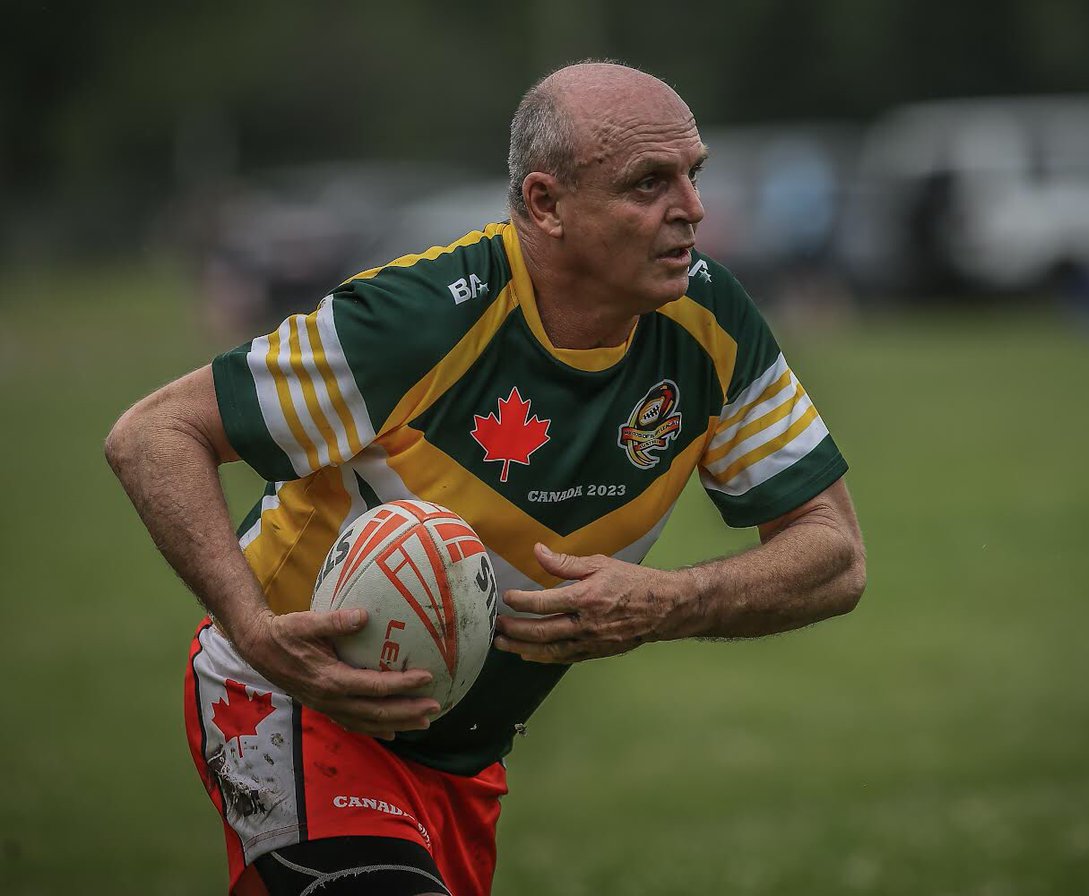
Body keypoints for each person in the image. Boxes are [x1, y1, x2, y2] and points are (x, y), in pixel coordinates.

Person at [106, 61, 866, 896]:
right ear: (546, 205)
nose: (691, 207)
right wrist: (252, 630)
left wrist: (668, 603)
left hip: (463, 756)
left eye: (694, 173)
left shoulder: (712, 322)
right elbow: (153, 432)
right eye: (649, 182)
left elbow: (832, 553)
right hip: (291, 705)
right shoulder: (421, 318)